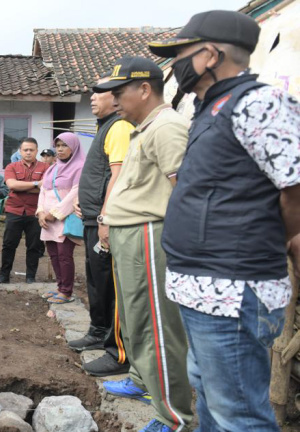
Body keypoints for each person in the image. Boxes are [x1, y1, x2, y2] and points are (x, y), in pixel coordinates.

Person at [149, 10, 300, 432]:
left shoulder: (259, 103)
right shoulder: (211, 107)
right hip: (202, 289)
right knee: (213, 399)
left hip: (232, 289)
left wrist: (282, 235)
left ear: (210, 54)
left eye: (180, 54)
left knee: (239, 414)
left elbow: (295, 184)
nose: (174, 64)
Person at [93, 58, 192, 432]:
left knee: (157, 327)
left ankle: (174, 417)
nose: (114, 100)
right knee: (136, 320)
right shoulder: (143, 127)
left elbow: (185, 190)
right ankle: (140, 379)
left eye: (119, 92)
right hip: (131, 234)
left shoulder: (166, 127)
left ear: (145, 89)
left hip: (150, 234)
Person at [69, 77, 134, 377]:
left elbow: (118, 175)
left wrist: (105, 216)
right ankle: (97, 331)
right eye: (91, 94)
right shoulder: (104, 127)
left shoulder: (119, 126)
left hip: (105, 221)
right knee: (96, 279)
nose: (92, 98)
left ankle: (116, 348)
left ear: (116, 97)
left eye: (100, 93)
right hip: (93, 217)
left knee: (110, 284)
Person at [37, 133, 84, 303]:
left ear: (74, 147)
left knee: (64, 255)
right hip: (48, 220)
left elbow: (75, 193)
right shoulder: (53, 167)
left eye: (65, 145)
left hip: (64, 218)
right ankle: (59, 287)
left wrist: (54, 214)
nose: (60, 149)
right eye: (58, 146)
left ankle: (66, 291)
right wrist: (41, 212)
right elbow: (43, 190)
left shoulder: (79, 167)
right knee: (53, 255)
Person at [0, 138, 49, 284]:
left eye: (32, 150)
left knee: (34, 246)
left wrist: (23, 186)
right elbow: (12, 185)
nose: (28, 152)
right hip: (14, 210)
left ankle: (31, 277)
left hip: (36, 211)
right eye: (25, 150)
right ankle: (4, 275)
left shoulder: (45, 167)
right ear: (20, 151)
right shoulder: (11, 166)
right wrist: (36, 184)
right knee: (9, 244)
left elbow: (46, 188)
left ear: (37, 151)